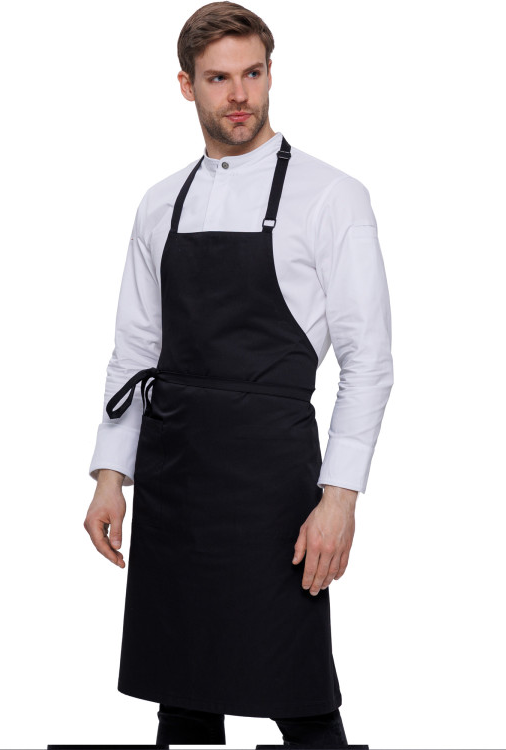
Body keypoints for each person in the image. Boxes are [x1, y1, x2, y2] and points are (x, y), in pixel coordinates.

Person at [83, 2, 393, 747]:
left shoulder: (332, 196)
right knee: (183, 696)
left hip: (273, 487)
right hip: (176, 481)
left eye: (252, 73)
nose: (239, 95)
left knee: (299, 697)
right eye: (218, 78)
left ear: (270, 73)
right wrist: (110, 475)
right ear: (186, 85)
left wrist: (340, 498)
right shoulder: (160, 203)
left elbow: (370, 362)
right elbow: (136, 349)